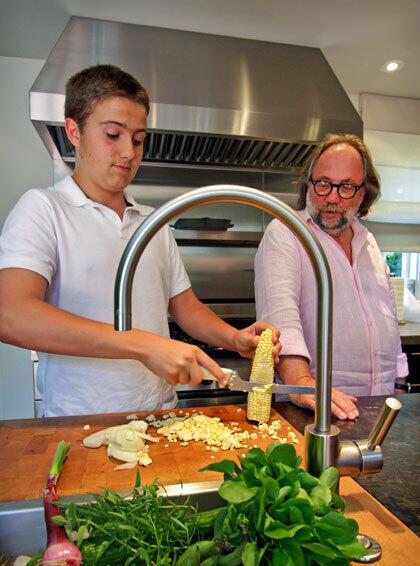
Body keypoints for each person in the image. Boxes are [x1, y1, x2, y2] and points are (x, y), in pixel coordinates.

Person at [0, 64, 279, 418]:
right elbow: (10, 314)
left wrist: (234, 338)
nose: (129, 153)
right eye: (113, 135)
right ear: (74, 130)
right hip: (81, 419)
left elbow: (186, 308)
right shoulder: (44, 208)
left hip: (161, 414)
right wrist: (142, 345)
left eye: (137, 139)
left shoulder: (153, 222)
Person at [255, 133, 408, 420]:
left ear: (363, 192)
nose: (332, 198)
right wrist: (302, 384)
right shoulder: (286, 232)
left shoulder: (369, 241)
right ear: (308, 183)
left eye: (347, 187)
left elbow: (385, 316)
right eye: (323, 184)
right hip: (316, 410)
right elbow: (281, 319)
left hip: (379, 407)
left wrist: (398, 383)